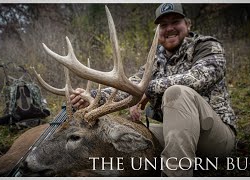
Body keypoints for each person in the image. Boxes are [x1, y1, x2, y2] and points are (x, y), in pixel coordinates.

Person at [70, 3, 236, 177]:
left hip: (215, 139)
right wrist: (92, 97)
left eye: (175, 22)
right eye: (163, 25)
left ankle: (174, 174)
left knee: (176, 92)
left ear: (188, 24)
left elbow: (199, 78)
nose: (169, 28)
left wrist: (148, 89)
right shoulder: (156, 60)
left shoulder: (207, 46)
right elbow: (131, 86)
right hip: (179, 136)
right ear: (157, 31)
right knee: (128, 131)